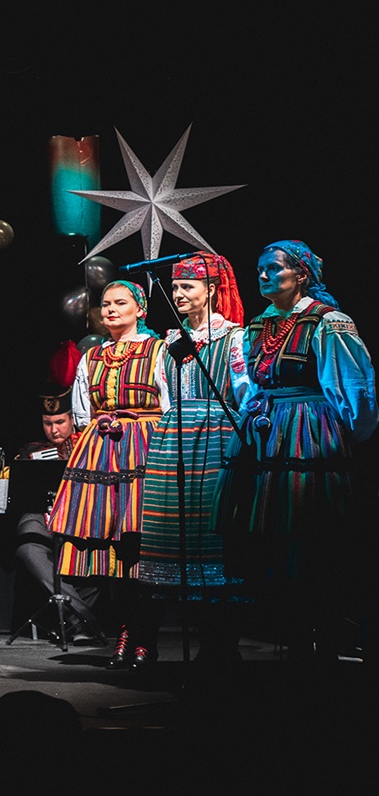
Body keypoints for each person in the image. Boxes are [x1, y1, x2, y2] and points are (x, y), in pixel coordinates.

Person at [214, 240, 377, 663]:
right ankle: (292, 634)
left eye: (273, 268)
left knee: (308, 535)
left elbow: (353, 386)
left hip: (308, 431)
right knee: (268, 538)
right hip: (264, 433)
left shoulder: (329, 322)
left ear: (301, 274)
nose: (263, 275)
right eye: (260, 268)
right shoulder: (257, 325)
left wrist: (344, 436)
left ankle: (322, 639)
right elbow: (248, 384)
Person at [48, 280, 169, 669]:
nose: (111, 309)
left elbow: (169, 405)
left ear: (140, 309)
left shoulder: (158, 350)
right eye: (105, 304)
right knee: (109, 550)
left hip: (145, 450)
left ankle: (146, 637)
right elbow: (83, 410)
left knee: (140, 546)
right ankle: (124, 632)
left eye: (120, 302)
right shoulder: (93, 357)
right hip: (101, 452)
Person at [137, 252, 248, 663]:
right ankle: (201, 641)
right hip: (176, 443)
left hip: (217, 440)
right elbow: (166, 395)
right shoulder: (169, 342)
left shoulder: (234, 338)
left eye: (188, 286)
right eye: (175, 287)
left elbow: (245, 394)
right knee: (181, 542)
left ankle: (221, 645)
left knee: (213, 540)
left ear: (212, 289)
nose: (179, 294)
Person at [2, 368, 101, 643]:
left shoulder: (90, 445)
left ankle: (76, 624)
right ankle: (84, 622)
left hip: (81, 520)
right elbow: (10, 491)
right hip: (40, 518)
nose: (53, 430)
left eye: (60, 422)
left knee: (97, 556)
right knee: (27, 545)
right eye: (47, 423)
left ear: (72, 419)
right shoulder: (30, 451)